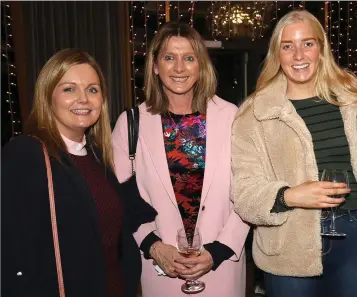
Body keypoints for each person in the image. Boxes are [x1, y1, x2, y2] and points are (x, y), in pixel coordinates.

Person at [231, 10, 357, 297]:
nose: (299, 54)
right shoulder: (254, 113)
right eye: (288, 46)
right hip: (289, 240)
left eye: (307, 43)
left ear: (322, 50)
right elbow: (244, 192)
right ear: (278, 54)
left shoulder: (355, 101)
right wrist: (289, 196)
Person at [1, 48, 157, 297]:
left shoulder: (95, 156)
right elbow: (13, 253)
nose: (83, 98)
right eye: (69, 89)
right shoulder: (27, 154)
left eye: (92, 90)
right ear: (48, 96)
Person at [112, 22, 250, 297]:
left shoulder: (233, 117)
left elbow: (248, 191)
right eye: (169, 57)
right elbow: (122, 198)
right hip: (162, 268)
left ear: (201, 65)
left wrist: (218, 250)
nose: (179, 68)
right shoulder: (130, 124)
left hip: (220, 268)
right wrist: (153, 246)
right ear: (154, 65)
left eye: (188, 58)